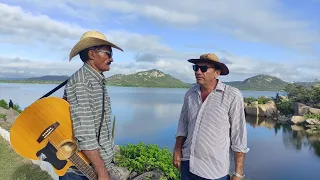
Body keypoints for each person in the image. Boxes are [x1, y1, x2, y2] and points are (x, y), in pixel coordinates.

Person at [173, 53, 249, 180]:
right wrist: (177, 151)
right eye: (195, 68)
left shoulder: (232, 95)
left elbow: (238, 135)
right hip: (188, 164)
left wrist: (238, 173)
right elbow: (183, 124)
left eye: (203, 69)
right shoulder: (190, 94)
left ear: (216, 73)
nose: (198, 71)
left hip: (214, 171)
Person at [60, 30, 123, 180]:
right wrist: (101, 171)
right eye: (108, 54)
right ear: (92, 54)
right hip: (83, 169)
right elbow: (85, 132)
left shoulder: (95, 80)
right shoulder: (82, 82)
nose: (112, 59)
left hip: (93, 164)